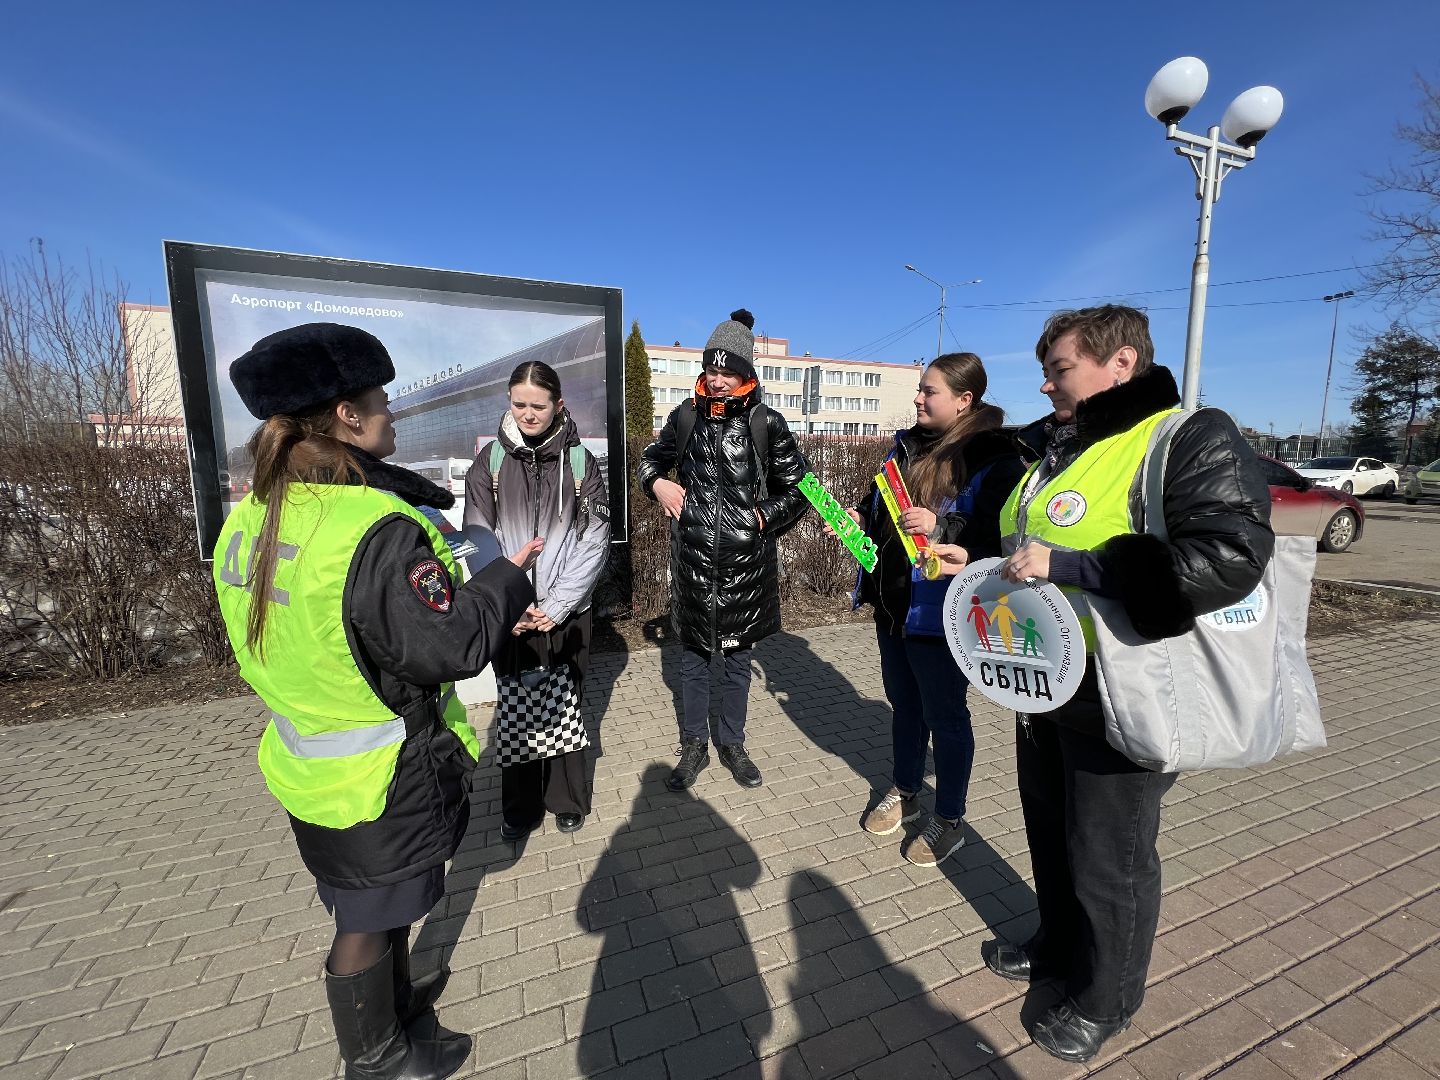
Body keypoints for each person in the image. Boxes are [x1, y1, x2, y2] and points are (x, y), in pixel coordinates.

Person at [212, 323, 540, 1080]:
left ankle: (394, 1009)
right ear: (347, 418)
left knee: (368, 906)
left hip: (309, 757)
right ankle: (376, 1058)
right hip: (380, 772)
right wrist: (506, 576)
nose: (392, 415)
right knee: (363, 921)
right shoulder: (374, 527)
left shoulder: (254, 517)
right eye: (381, 402)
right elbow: (450, 646)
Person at [974, 305, 1273, 1064]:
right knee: (1050, 829)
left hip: (1126, 687)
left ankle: (1108, 997)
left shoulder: (1187, 436)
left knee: (1109, 853)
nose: (1044, 386)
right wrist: (970, 562)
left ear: (1122, 363)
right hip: (1046, 683)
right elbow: (1027, 548)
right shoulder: (1058, 451)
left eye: (1059, 369)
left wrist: (1070, 567)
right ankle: (1058, 943)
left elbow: (1230, 558)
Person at [832, 353, 1025, 867]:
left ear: (965, 400)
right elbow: (878, 510)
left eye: (929, 391)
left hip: (941, 617)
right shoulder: (903, 447)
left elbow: (1006, 541)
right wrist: (856, 515)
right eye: (919, 389)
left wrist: (943, 530)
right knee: (905, 707)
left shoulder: (992, 458)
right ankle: (906, 790)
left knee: (946, 717)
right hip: (893, 608)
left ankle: (951, 817)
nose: (918, 398)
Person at [636, 308, 809, 791]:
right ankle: (694, 745)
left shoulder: (765, 423)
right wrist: (658, 485)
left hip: (744, 569)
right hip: (691, 564)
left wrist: (762, 518)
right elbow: (650, 460)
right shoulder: (685, 416)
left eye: (725, 371)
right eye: (710, 370)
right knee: (692, 661)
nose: (714, 380)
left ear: (745, 374)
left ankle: (732, 743)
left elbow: (801, 488)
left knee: (735, 664)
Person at [463, 360, 610, 841]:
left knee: (567, 702)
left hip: (566, 612)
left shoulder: (581, 463)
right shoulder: (487, 464)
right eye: (519, 404)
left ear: (558, 405)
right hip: (512, 614)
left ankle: (566, 799)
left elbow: (595, 539)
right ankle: (521, 805)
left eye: (538, 406)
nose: (528, 414)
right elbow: (478, 537)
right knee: (517, 709)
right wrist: (510, 602)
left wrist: (558, 605)